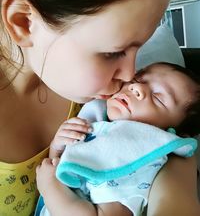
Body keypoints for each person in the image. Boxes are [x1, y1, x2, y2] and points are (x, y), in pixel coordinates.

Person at [0, 0, 198, 216]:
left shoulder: (100, 104)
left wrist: (176, 174)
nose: (130, 77)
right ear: (23, 22)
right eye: (112, 53)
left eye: (139, 48)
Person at [36, 62, 200, 216]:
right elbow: (60, 167)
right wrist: (57, 148)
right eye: (137, 79)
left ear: (168, 133)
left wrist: (49, 187)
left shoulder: (139, 164)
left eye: (158, 98)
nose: (137, 87)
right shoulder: (97, 120)